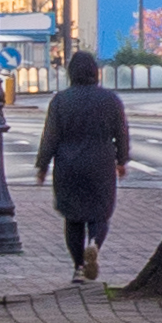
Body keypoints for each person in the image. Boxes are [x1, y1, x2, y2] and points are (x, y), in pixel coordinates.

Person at [39, 51, 130, 279]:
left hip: (68, 165)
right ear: (95, 72)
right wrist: (122, 160)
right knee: (100, 214)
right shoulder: (110, 100)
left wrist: (42, 165)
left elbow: (50, 136)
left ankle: (79, 266)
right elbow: (121, 132)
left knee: (73, 218)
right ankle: (95, 244)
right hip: (100, 163)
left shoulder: (61, 100)